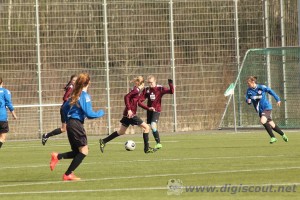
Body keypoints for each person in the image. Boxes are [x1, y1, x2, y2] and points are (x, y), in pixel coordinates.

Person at [49, 73, 105, 181]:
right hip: (76, 124)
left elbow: (64, 108)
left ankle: (58, 157)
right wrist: (100, 113)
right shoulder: (84, 96)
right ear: (88, 83)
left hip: (71, 124)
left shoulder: (74, 94)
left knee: (78, 152)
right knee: (84, 151)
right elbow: (89, 114)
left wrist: (67, 120)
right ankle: (68, 174)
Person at [99, 76, 156, 154]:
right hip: (131, 114)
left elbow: (138, 103)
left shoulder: (136, 90)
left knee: (121, 132)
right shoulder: (136, 90)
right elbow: (126, 97)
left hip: (127, 115)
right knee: (146, 128)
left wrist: (148, 108)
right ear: (141, 83)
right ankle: (147, 149)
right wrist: (129, 109)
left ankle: (103, 141)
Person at [246, 76, 288, 144]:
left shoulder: (261, 87)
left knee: (262, 121)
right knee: (272, 124)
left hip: (266, 107)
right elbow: (247, 99)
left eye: (249, 83)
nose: (248, 85)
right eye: (247, 83)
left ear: (253, 82)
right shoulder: (249, 91)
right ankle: (283, 135)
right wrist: (248, 101)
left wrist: (278, 99)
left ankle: (273, 137)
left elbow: (270, 91)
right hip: (260, 111)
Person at [138, 75, 174, 149]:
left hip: (156, 110)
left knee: (153, 125)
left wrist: (170, 84)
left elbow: (171, 91)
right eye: (148, 83)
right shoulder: (147, 90)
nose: (150, 84)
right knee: (148, 127)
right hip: (149, 110)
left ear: (155, 81)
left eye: (151, 82)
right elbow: (139, 101)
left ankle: (158, 143)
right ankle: (147, 146)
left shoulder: (160, 88)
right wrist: (147, 108)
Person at [42, 74, 77, 145]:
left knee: (66, 128)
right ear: (71, 81)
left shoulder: (74, 88)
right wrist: (71, 100)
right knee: (69, 127)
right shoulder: (71, 87)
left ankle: (46, 135)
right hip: (65, 109)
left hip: (67, 109)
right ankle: (77, 142)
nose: (75, 82)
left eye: (76, 80)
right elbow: (65, 98)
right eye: (73, 80)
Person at [0, 77, 17, 149]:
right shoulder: (5, 91)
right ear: (2, 83)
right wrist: (14, 114)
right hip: (2, 117)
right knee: (2, 137)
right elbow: (8, 103)